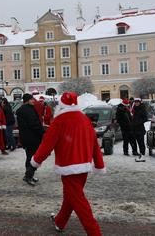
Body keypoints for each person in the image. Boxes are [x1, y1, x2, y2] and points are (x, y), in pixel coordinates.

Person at [25, 92, 105, 236]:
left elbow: (46, 145)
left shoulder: (59, 121)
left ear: (61, 105)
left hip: (69, 167)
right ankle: (59, 221)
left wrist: (34, 164)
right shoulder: (84, 119)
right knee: (71, 197)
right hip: (84, 167)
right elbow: (94, 143)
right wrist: (99, 164)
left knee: (79, 202)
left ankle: (95, 233)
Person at [16, 93, 44, 184]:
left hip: (27, 137)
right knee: (31, 157)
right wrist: (42, 132)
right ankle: (28, 176)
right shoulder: (28, 110)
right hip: (31, 137)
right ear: (27, 100)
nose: (34, 101)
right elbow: (34, 124)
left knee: (30, 156)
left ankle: (29, 175)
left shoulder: (26, 109)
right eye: (32, 99)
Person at [131, 98, 148, 162]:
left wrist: (139, 122)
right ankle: (141, 155)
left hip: (140, 129)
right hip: (135, 129)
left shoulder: (142, 109)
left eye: (137, 102)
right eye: (135, 102)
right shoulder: (134, 109)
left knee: (141, 143)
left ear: (140, 102)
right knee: (138, 143)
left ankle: (143, 156)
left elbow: (145, 118)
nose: (136, 103)